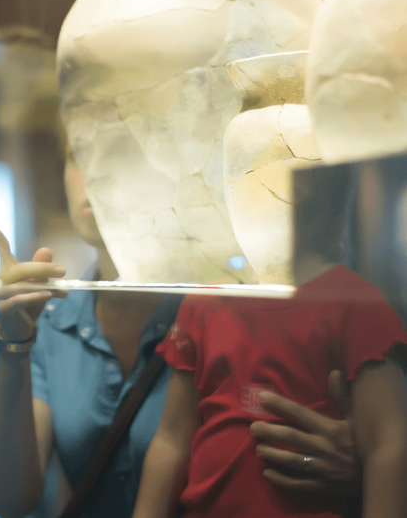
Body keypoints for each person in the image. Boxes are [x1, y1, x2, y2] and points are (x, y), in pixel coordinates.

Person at [0, 150, 367, 518]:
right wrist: (13, 342)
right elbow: (10, 498)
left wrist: (363, 461)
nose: (96, 170)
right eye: (79, 153)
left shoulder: (229, 306)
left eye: (121, 149)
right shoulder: (52, 320)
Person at [132, 169, 407, 518]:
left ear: (300, 185)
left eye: (240, 165)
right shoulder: (205, 300)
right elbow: (172, 438)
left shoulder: (354, 303)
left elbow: (388, 445)